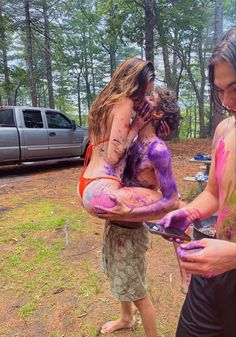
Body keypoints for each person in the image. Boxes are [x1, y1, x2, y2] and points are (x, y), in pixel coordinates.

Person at [156, 26, 236, 337]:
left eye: (235, 87)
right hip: (213, 269)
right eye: (220, 90)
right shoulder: (225, 131)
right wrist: (187, 213)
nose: (228, 101)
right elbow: (215, 194)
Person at [99, 87, 181, 336]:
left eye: (149, 98)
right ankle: (126, 319)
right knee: (118, 275)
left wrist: (130, 213)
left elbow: (173, 200)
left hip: (131, 230)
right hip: (116, 225)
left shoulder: (158, 151)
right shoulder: (133, 140)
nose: (142, 99)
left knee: (137, 292)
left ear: (156, 112)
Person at [78, 57, 178, 219]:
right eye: (145, 93)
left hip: (88, 184)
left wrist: (155, 131)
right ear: (135, 86)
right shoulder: (124, 101)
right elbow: (113, 156)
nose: (145, 99)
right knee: (173, 203)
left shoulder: (105, 103)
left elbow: (126, 142)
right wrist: (136, 126)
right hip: (102, 190)